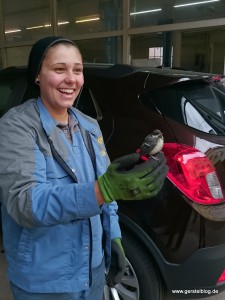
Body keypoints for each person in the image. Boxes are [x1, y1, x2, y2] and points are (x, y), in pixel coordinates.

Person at [0, 36, 168, 300]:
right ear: (37, 76)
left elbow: (106, 192)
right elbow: (25, 203)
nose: (71, 79)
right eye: (59, 69)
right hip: (44, 283)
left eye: (77, 70)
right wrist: (102, 190)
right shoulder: (16, 127)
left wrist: (113, 237)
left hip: (91, 271)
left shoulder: (89, 126)